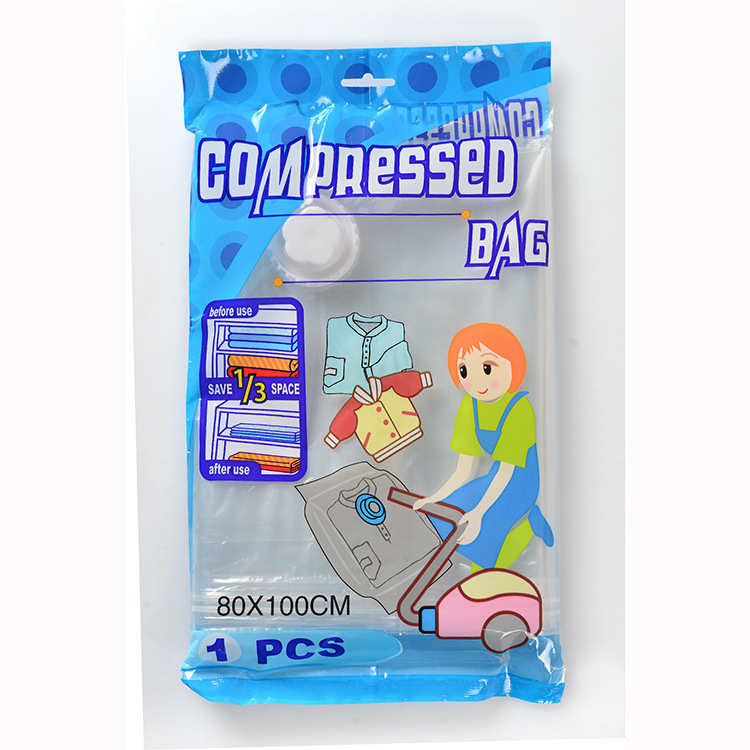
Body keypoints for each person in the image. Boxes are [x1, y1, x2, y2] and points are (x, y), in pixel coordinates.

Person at [414, 323, 553, 570]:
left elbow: (508, 471)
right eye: (465, 371)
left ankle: (531, 525)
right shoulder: (470, 405)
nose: (476, 381)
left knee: (484, 564)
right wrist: (433, 498)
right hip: (494, 477)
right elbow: (463, 471)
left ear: (513, 364)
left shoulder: (519, 409)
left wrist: (478, 513)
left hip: (521, 482)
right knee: (442, 520)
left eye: (487, 368)